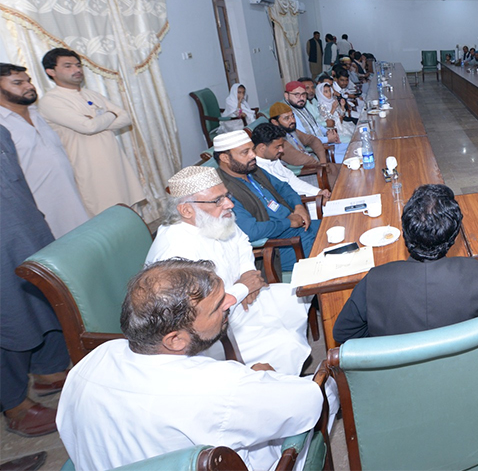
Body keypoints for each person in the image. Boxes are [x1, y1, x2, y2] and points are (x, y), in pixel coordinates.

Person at [56, 259, 329, 471]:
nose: (231, 302)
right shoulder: (220, 386)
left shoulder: (91, 361)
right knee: (328, 389)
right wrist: (265, 378)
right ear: (174, 339)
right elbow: (308, 403)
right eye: (218, 306)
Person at [146, 166, 311, 374]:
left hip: (244, 300)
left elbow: (241, 241)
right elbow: (195, 315)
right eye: (218, 200)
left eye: (227, 196)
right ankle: (274, 391)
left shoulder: (215, 219)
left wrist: (247, 273)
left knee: (297, 297)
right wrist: (243, 288)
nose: (229, 204)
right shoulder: (174, 252)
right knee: (285, 344)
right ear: (186, 210)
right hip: (216, 332)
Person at [333, 184, 478, 344]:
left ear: (404, 232)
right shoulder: (475, 273)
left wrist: (383, 344)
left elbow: (343, 332)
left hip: (397, 377)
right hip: (464, 372)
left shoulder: (375, 279)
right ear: (453, 236)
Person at [1, 126, 70, 438]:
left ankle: (48, 370)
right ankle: (14, 404)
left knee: (40, 296)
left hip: (23, 226)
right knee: (8, 316)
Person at [36, 48, 145, 216]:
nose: (77, 70)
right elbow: (88, 127)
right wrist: (109, 115)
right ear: (51, 72)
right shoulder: (51, 101)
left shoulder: (91, 94)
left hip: (114, 160)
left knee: (129, 205)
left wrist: (97, 122)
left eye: (78, 65)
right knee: (106, 211)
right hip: (88, 166)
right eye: (68, 66)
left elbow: (126, 117)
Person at [0, 63, 88, 238]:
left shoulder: (37, 114)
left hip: (72, 199)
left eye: (29, 81)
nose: (29, 86)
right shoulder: (3, 125)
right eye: (18, 83)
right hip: (40, 209)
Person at [213, 130, 319, 271]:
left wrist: (298, 206)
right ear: (225, 158)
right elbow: (251, 231)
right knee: (332, 254)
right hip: (279, 246)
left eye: (252, 149)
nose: (253, 155)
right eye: (245, 152)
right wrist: (288, 222)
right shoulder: (223, 190)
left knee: (339, 227)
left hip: (298, 227)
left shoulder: (252, 170)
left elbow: (283, 187)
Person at [268, 102, 340, 188]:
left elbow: (313, 140)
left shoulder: (290, 130)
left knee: (346, 170)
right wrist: (323, 167)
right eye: (287, 118)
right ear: (275, 122)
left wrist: (323, 162)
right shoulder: (277, 141)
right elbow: (300, 160)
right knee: (344, 182)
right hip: (307, 175)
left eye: (292, 116)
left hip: (319, 167)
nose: (292, 120)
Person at [252, 123, 329, 200]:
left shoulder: (273, 158)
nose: (281, 150)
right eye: (277, 147)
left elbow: (292, 181)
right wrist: (317, 198)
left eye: (281, 146)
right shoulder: (257, 170)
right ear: (261, 148)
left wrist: (318, 192)